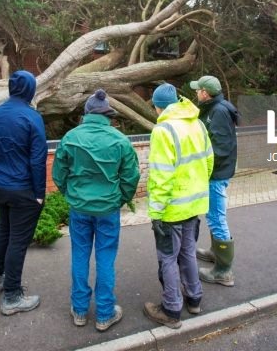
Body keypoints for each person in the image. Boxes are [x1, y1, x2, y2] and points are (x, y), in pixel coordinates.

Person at [52, 89, 140, 332]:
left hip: (79, 208)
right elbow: (131, 177)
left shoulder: (70, 138)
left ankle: (79, 310)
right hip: (108, 210)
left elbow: (58, 174)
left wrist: (72, 195)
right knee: (106, 258)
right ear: (108, 114)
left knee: (79, 256)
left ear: (86, 113)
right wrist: (119, 199)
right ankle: (104, 313)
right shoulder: (120, 140)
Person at [143, 83, 213, 329]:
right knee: (188, 253)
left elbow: (162, 175)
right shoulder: (198, 123)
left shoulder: (163, 130)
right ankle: (194, 299)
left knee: (168, 259)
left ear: (157, 106)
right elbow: (208, 162)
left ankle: (171, 310)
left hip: (172, 208)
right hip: (195, 204)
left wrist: (156, 211)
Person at [0, 70, 48, 315]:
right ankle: (11, 296)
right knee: (18, 242)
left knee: (3, 232)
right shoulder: (32, 117)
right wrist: (39, 193)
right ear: (29, 89)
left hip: (0, 185)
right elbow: (37, 159)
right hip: (23, 189)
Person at [189, 75, 240, 286]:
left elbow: (220, 148)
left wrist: (205, 168)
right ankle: (214, 252)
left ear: (204, 93)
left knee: (217, 218)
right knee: (213, 216)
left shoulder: (218, 112)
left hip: (216, 175)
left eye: (197, 90)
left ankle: (223, 271)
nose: (195, 93)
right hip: (217, 172)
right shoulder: (215, 107)